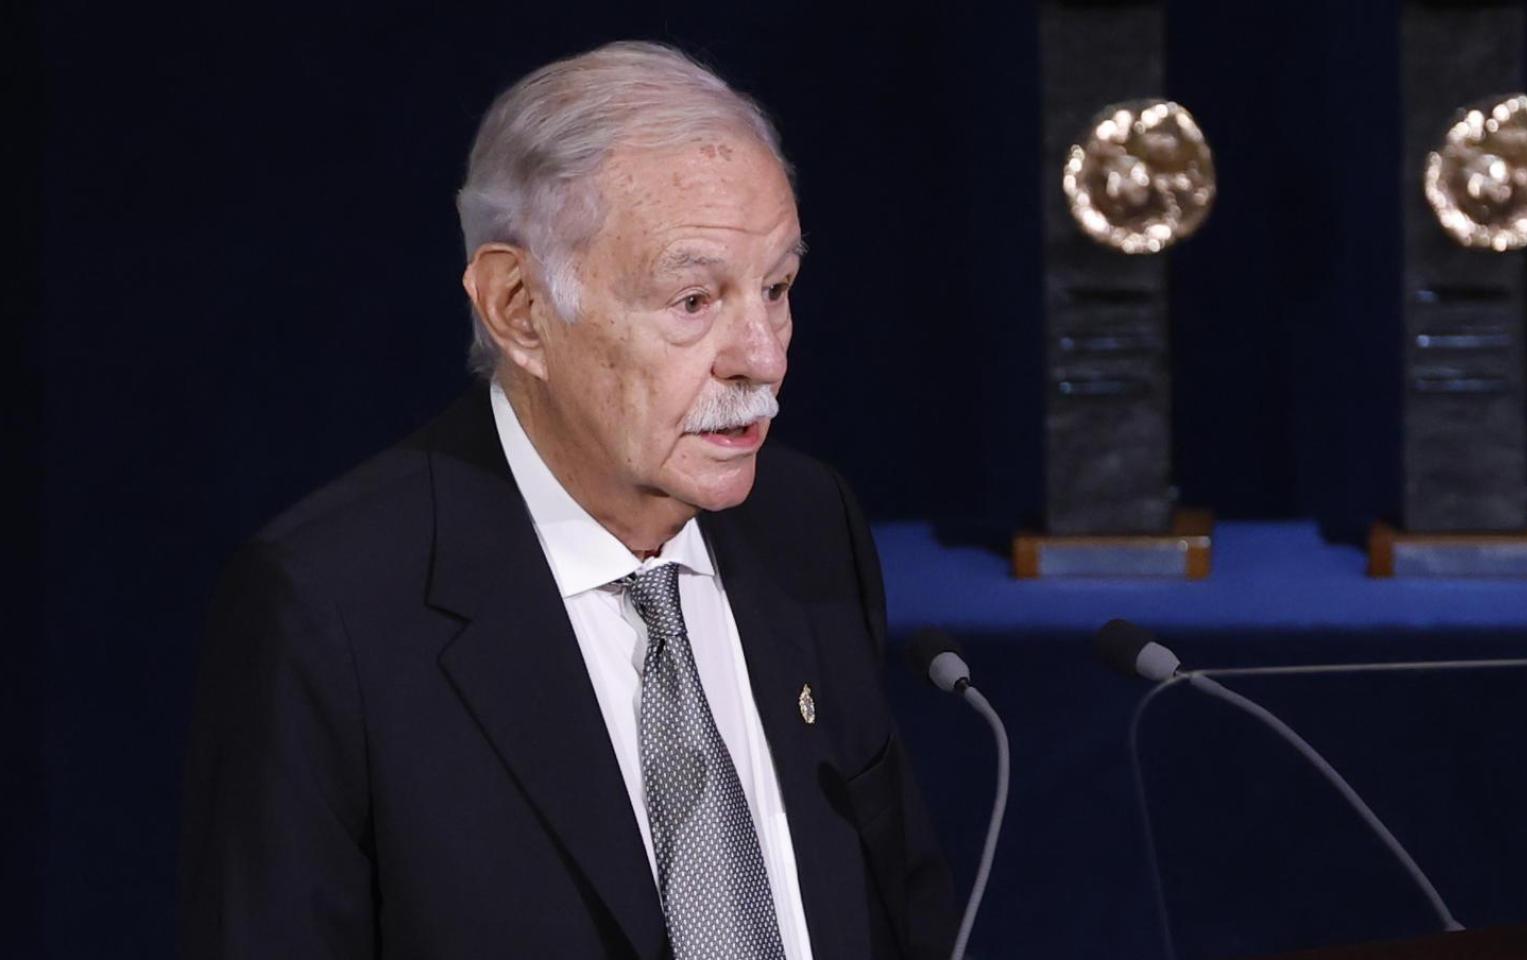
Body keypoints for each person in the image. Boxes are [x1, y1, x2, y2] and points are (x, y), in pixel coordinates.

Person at [180, 41, 955, 960]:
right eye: (694, 298)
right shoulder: (329, 612)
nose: (764, 356)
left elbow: (902, 912)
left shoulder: (807, 524)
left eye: (778, 288)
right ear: (519, 307)